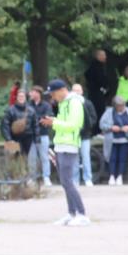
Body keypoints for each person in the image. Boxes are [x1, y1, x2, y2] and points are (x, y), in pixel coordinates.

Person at [42, 79, 89, 226]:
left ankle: (81, 214)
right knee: (64, 182)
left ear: (62, 90)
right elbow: (65, 123)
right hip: (61, 145)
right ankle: (71, 213)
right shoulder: (64, 104)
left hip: (69, 145)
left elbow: (75, 125)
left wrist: (54, 123)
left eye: (53, 94)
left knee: (68, 181)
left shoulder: (74, 103)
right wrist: (54, 120)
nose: (52, 97)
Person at [99, 96, 128, 185]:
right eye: (119, 106)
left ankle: (120, 176)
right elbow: (102, 124)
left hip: (125, 139)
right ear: (115, 106)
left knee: (122, 158)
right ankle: (112, 176)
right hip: (112, 140)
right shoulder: (109, 112)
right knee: (111, 158)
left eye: (122, 105)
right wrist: (111, 128)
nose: (121, 108)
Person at [0, 88, 36, 180]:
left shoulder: (31, 110)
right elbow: (5, 125)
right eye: (19, 96)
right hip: (12, 138)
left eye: (23, 96)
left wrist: (36, 138)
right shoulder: (10, 110)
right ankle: (10, 178)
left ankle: (24, 178)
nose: (21, 98)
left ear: (25, 97)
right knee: (11, 159)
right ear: (16, 97)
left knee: (24, 158)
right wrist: (8, 139)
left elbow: (35, 125)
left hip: (27, 138)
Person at [70, 84, 97, 186]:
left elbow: (93, 117)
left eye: (78, 90)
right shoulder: (68, 104)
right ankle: (75, 179)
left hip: (85, 135)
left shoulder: (88, 103)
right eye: (74, 90)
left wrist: (88, 126)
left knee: (86, 157)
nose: (76, 92)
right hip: (73, 135)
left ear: (82, 91)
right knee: (74, 158)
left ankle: (87, 178)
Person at [84, 49, 116, 133]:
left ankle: (97, 130)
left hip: (98, 93)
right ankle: (97, 131)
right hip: (97, 94)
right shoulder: (95, 68)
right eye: (103, 55)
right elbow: (99, 80)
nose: (105, 57)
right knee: (98, 111)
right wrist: (104, 87)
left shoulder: (100, 66)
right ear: (98, 56)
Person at [28, 86, 54, 186]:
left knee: (44, 157)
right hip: (31, 135)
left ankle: (46, 177)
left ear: (38, 93)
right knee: (32, 158)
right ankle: (32, 178)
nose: (31, 94)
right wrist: (37, 119)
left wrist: (36, 119)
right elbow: (27, 118)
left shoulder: (46, 105)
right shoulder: (28, 105)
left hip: (43, 134)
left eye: (33, 92)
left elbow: (46, 118)